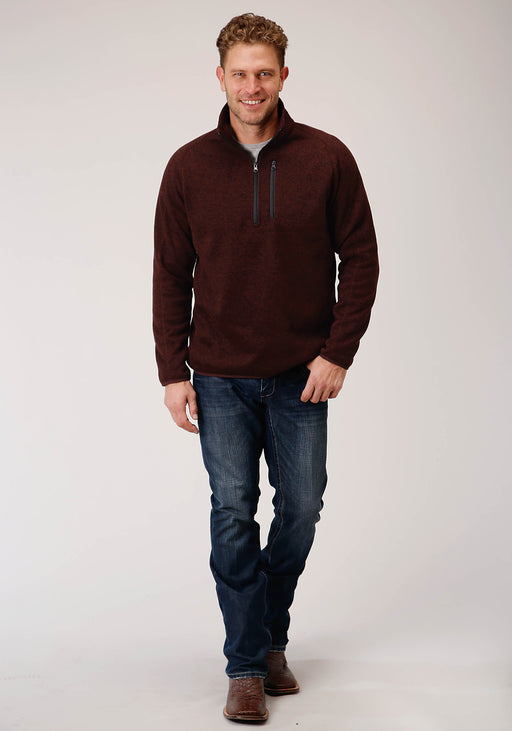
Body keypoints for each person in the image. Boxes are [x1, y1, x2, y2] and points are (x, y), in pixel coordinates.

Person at [153, 12, 379, 724]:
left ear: (284, 75)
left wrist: (337, 352)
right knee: (232, 512)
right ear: (220, 78)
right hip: (218, 374)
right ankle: (248, 664)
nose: (252, 86)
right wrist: (172, 371)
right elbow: (170, 274)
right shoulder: (188, 166)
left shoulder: (328, 157)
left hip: (300, 375)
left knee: (302, 508)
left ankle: (268, 634)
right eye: (240, 74)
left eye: (264, 73)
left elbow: (361, 259)